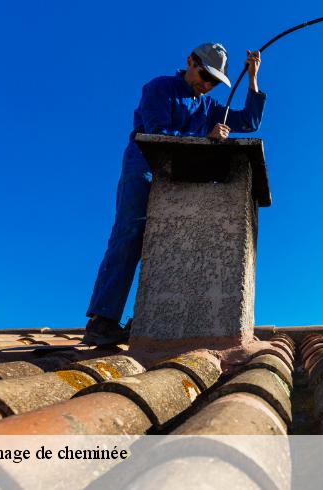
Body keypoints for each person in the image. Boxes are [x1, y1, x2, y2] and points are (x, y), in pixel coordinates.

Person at [82, 42, 265, 345]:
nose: (208, 85)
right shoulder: (159, 88)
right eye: (205, 76)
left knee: (174, 238)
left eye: (214, 82)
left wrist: (253, 78)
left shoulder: (209, 107)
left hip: (177, 178)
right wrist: (206, 137)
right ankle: (102, 321)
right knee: (130, 233)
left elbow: (249, 121)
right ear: (190, 61)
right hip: (143, 168)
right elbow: (155, 133)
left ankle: (152, 320)